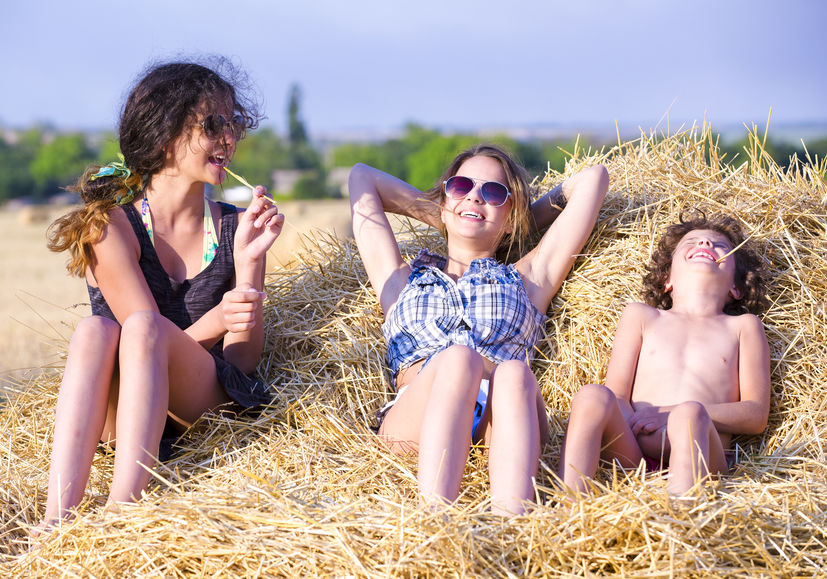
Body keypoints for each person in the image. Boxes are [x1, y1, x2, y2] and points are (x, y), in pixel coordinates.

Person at [40, 59, 283, 526]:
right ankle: (56, 520)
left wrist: (250, 264)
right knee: (96, 332)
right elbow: (144, 342)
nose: (228, 138)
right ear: (164, 133)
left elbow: (241, 365)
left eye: (234, 123)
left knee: (142, 330)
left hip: (199, 404)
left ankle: (123, 511)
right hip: (121, 411)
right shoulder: (110, 226)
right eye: (213, 124)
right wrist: (216, 320)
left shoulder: (235, 226)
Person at [348, 144, 608, 514]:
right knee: (459, 361)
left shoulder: (529, 278)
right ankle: (438, 523)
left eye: (493, 193)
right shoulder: (400, 282)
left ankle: (512, 527)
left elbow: (593, 180)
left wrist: (514, 225)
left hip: (502, 418)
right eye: (460, 186)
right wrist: (453, 212)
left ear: (512, 214)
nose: (474, 195)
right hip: (416, 417)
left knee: (514, 372)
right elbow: (362, 177)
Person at [559, 212, 771, 496]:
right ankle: (568, 510)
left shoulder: (742, 327)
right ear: (667, 278)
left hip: (705, 461)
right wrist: (633, 422)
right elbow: (617, 394)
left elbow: (756, 414)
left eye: (719, 246)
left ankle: (678, 519)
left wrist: (668, 414)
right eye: (692, 241)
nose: (706, 242)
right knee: (592, 396)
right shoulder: (643, 317)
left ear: (736, 287)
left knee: (689, 413)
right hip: (634, 456)